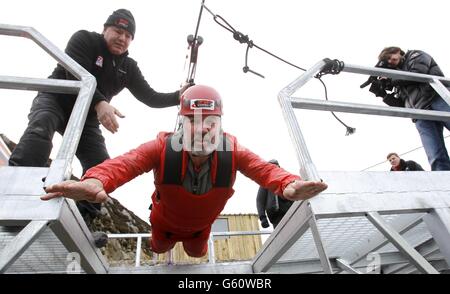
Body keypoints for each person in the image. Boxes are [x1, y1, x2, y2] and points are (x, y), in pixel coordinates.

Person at [41, 85, 328, 258]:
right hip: (163, 224)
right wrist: (96, 179)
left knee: (196, 252)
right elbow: (126, 162)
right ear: (182, 125)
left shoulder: (233, 150)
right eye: (194, 120)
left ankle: (192, 248)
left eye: (211, 121)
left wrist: (289, 184)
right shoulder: (163, 147)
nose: (204, 127)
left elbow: (263, 170)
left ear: (220, 125)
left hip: (200, 230)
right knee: (159, 247)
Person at [8, 9, 189, 224]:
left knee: (100, 164)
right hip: (56, 98)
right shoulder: (84, 39)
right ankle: (14, 196)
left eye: (128, 36)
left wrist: (180, 96)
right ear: (105, 29)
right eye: (117, 31)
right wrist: (100, 103)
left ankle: (83, 221)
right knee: (40, 127)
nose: (122, 38)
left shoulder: (128, 68)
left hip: (86, 119)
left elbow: (149, 97)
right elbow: (75, 72)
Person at [374, 47, 450, 171]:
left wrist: (391, 79)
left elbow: (417, 73)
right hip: (419, 113)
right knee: (435, 154)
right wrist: (383, 94)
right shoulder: (397, 79)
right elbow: (402, 105)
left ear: (398, 51)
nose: (390, 60)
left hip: (436, 98)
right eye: (387, 60)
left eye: (390, 56)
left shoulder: (415, 55)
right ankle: (445, 183)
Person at [256, 159, 294, 229]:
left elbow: (296, 190)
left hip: (292, 212)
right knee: (282, 236)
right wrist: (262, 217)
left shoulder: (287, 179)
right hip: (276, 216)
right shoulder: (265, 183)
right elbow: (260, 201)